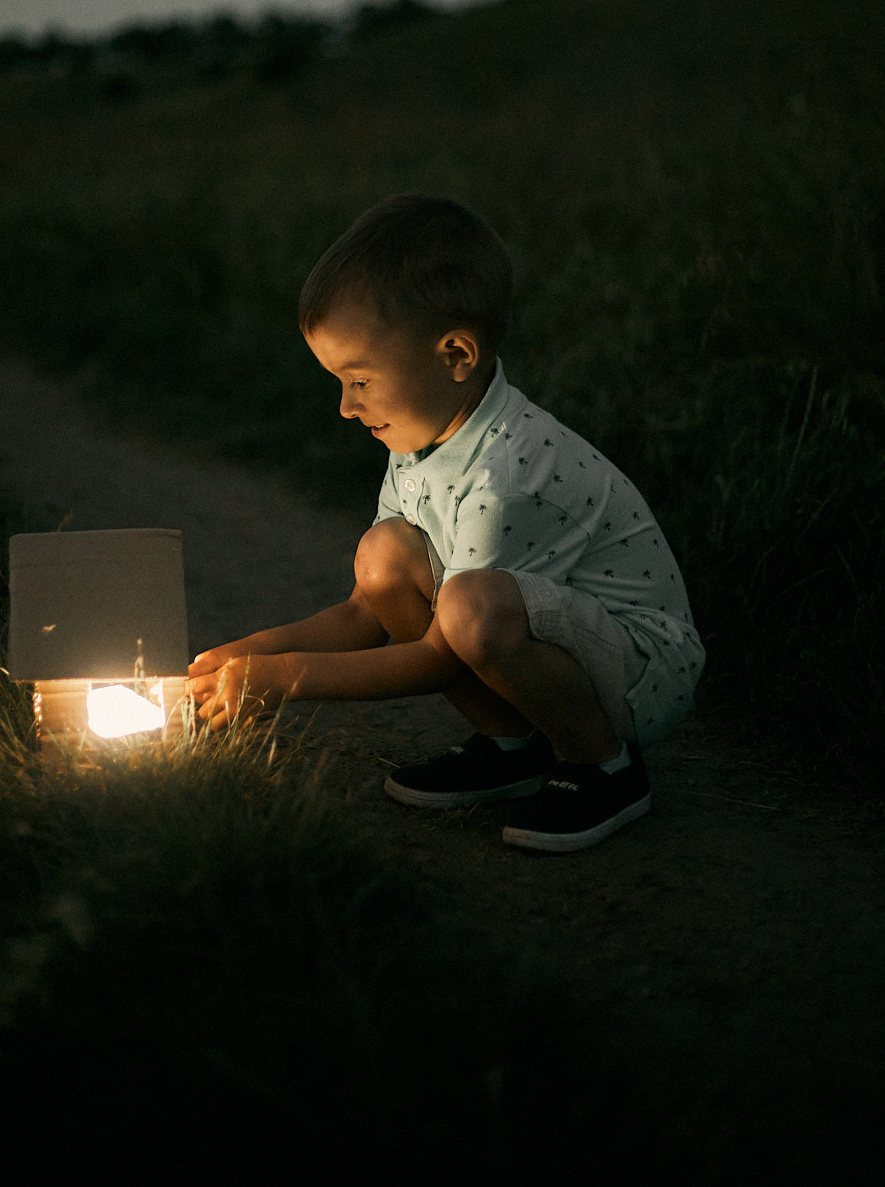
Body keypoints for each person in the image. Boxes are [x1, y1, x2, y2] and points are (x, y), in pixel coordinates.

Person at [187, 194, 704, 852]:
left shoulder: (510, 472)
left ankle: (603, 766)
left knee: (470, 607)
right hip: (553, 644)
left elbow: (440, 654)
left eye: (360, 380)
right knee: (384, 556)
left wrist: (284, 681)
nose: (346, 407)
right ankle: (512, 744)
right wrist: (248, 655)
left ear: (456, 355)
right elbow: (363, 616)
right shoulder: (420, 441)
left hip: (641, 669)